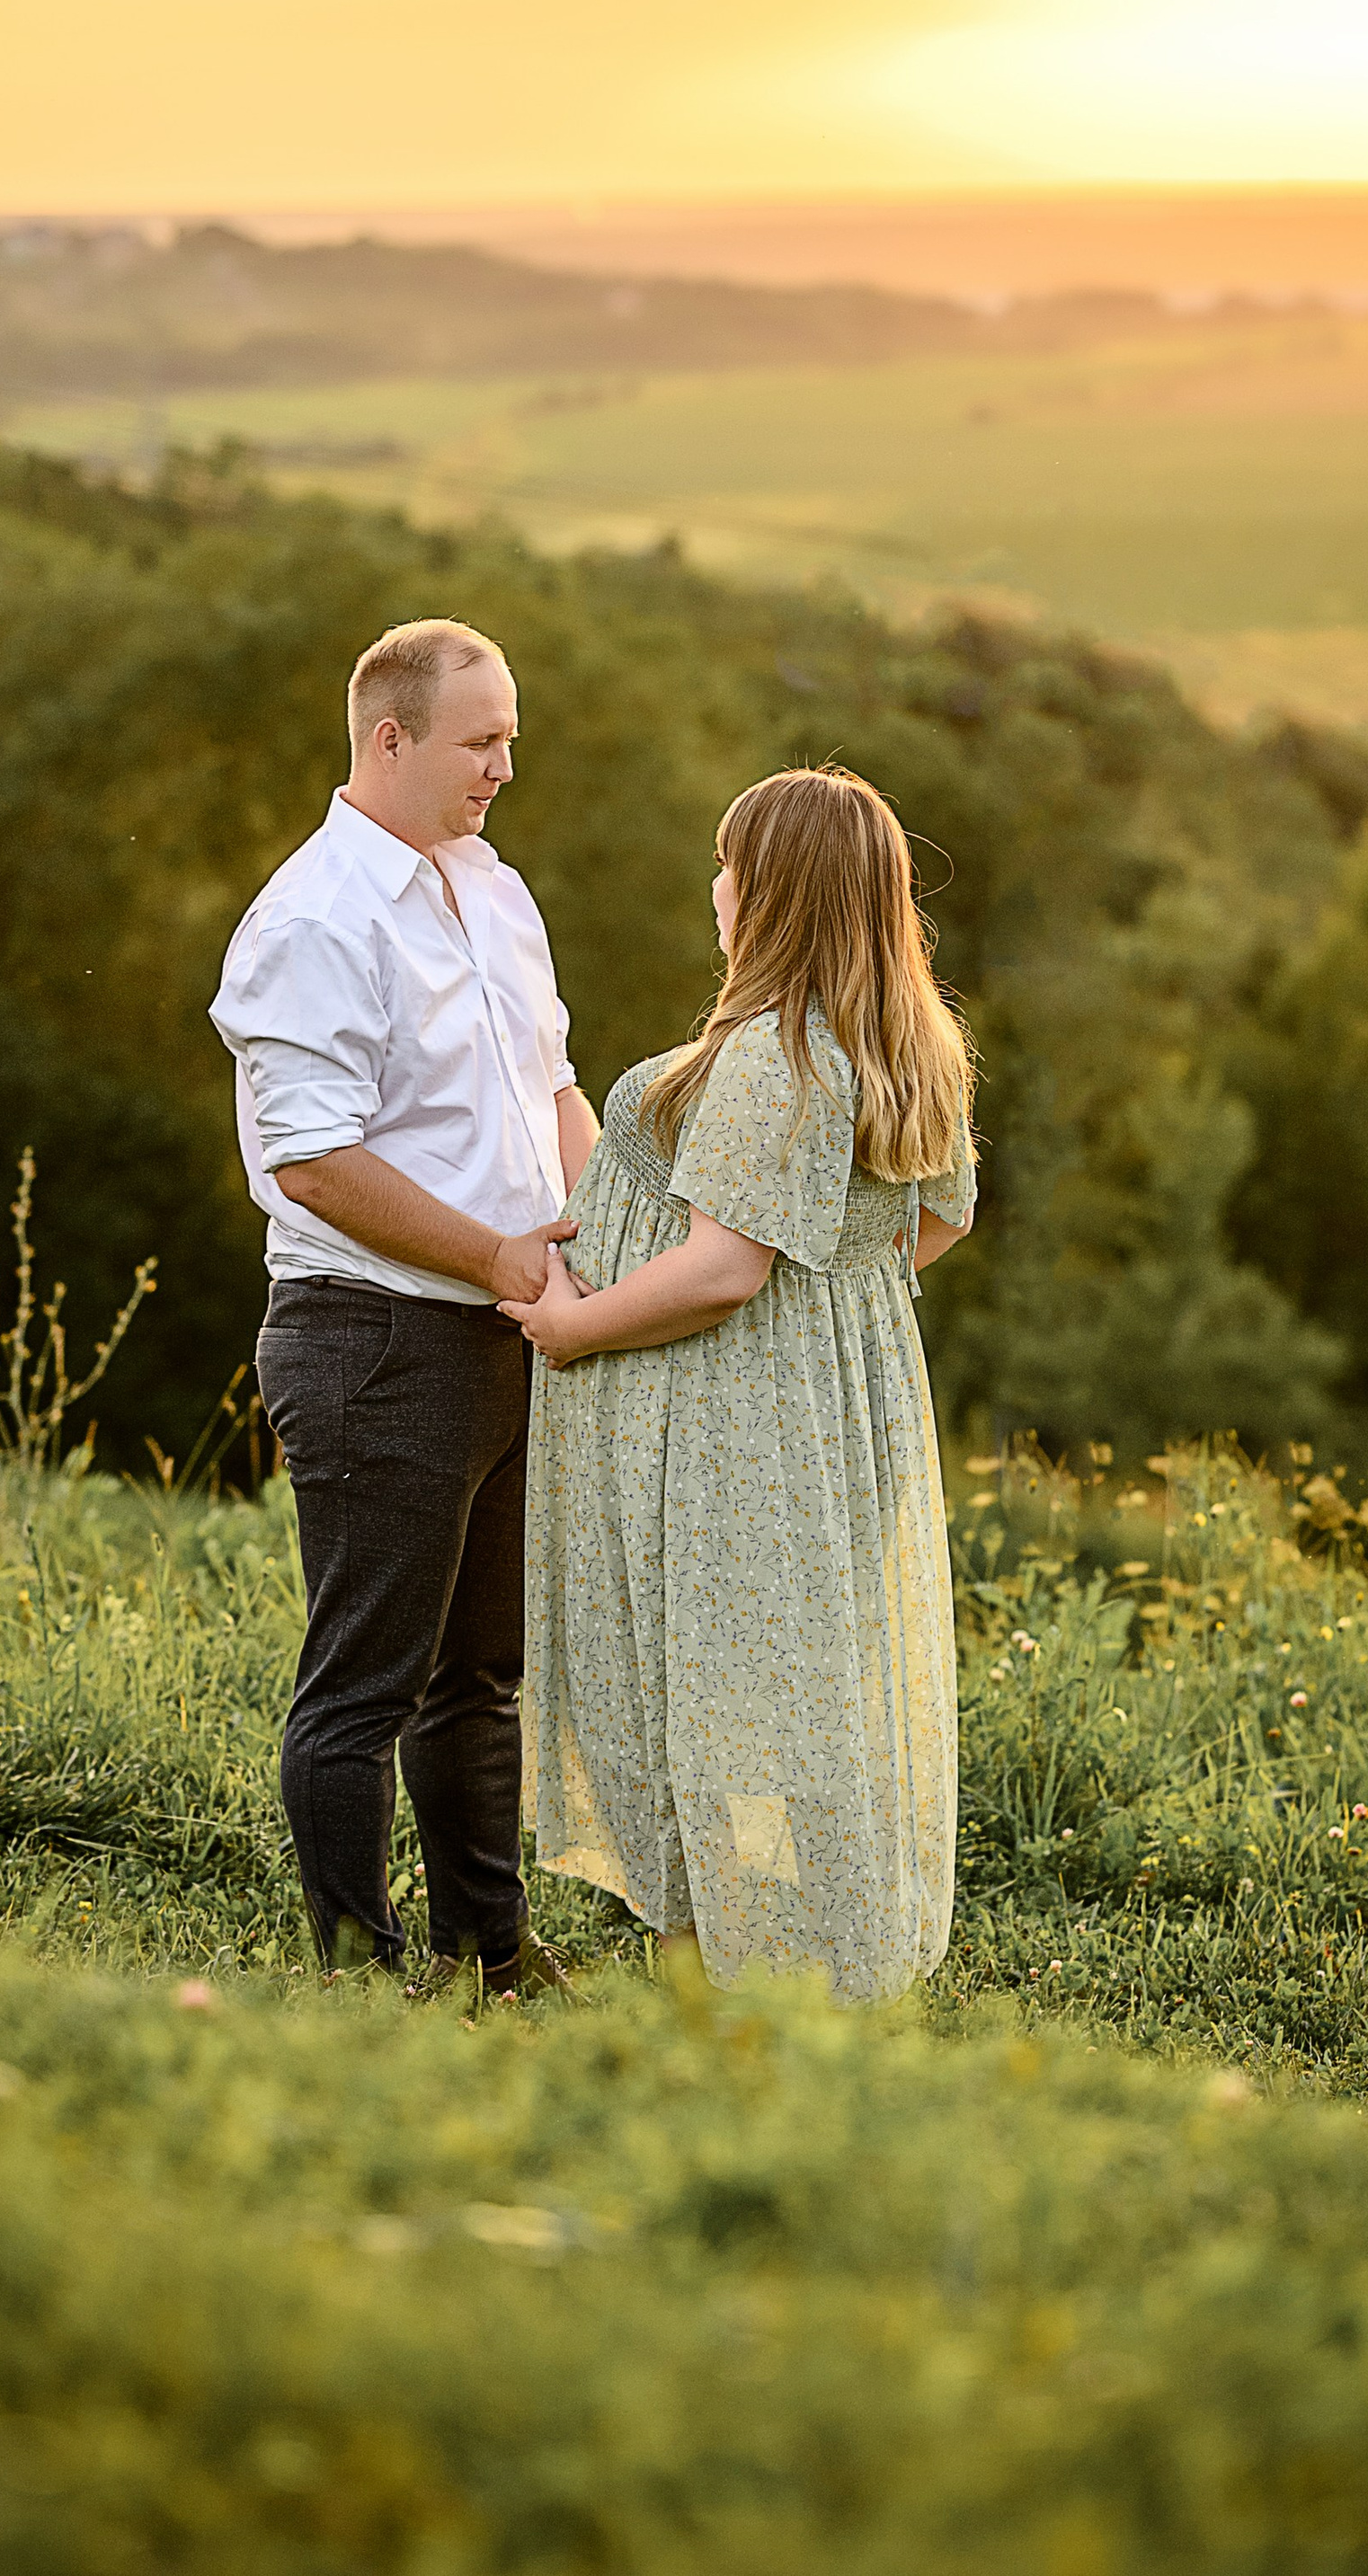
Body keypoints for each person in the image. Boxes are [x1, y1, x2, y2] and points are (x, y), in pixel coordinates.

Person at [502, 765, 976, 2002]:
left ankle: (716, 1994)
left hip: (738, 1429)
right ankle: (822, 1987)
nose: (713, 886)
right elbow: (933, 1226)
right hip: (834, 1419)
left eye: (730, 864)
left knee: (708, 1713)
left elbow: (723, 1265)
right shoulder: (904, 1043)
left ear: (773, 892)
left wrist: (576, 1325)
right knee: (807, 1703)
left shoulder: (773, 1057)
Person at [210, 618, 597, 1997]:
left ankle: (489, 1951)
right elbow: (310, 1157)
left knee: (478, 1674)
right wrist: (500, 1255)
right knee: (365, 1683)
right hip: (373, 1334)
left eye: (510, 736)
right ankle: (358, 1977)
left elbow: (553, 1088)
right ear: (390, 738)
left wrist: (601, 1242)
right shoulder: (314, 916)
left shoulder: (493, 888)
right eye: (480, 740)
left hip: (504, 1330)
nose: (505, 764)